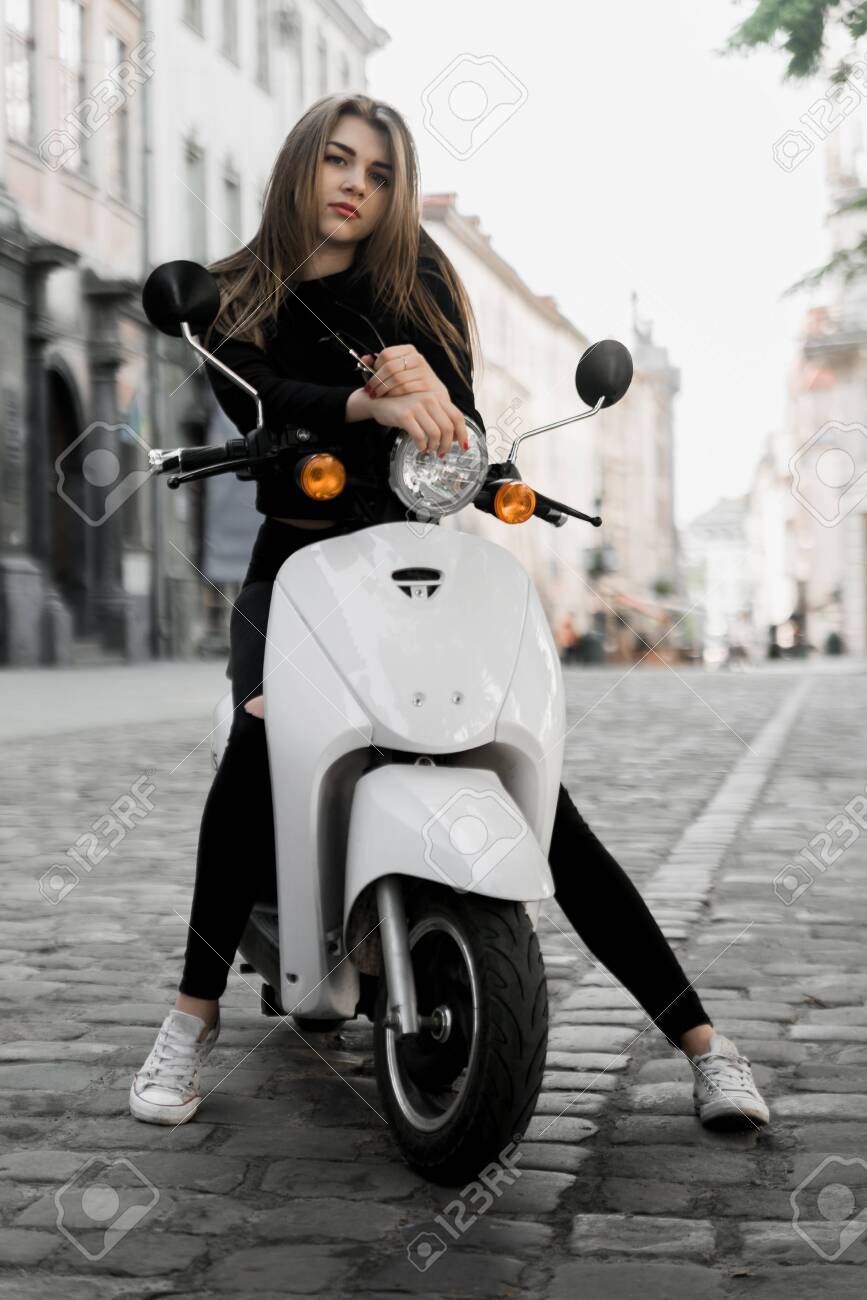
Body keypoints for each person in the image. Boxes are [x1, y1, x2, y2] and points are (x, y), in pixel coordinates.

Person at [130, 93, 769, 1134]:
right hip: (294, 569)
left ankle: (704, 1042)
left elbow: (461, 423)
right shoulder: (237, 293)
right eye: (338, 162)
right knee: (256, 747)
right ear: (302, 165)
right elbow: (256, 400)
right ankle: (189, 1016)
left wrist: (440, 404)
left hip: (420, 560)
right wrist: (362, 404)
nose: (355, 186)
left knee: (534, 797)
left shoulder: (417, 276)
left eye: (379, 174)